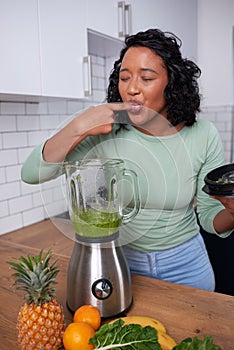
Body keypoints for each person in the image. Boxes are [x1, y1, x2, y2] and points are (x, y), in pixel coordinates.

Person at [21, 28, 234, 291]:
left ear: (173, 84)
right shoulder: (105, 130)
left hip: (187, 266)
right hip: (121, 264)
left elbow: (211, 217)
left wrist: (232, 212)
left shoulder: (203, 134)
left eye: (146, 78)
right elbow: (32, 173)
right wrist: (79, 126)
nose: (132, 88)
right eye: (124, 77)